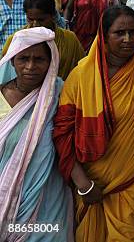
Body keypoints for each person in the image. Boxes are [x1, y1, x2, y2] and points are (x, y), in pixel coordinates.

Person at [53, 6, 134, 241]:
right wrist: (83, 184)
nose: (128, 39)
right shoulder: (80, 76)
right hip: (91, 182)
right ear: (104, 35)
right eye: (119, 33)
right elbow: (62, 133)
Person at [0, 27, 73, 241]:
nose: (30, 66)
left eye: (39, 59)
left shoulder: (60, 94)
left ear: (51, 61)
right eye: (23, 59)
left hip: (47, 198)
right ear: (12, 61)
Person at [2, 0, 84, 80]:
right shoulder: (16, 39)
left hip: (63, 91)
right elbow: (5, 71)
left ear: (53, 16)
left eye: (41, 20)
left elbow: (81, 70)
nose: (36, 24)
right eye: (31, 19)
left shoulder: (69, 39)